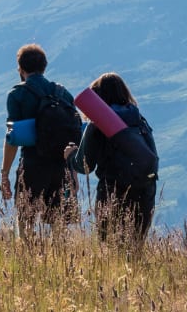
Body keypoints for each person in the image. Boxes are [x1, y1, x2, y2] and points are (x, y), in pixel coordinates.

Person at [64, 72, 158, 246]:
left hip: (113, 192)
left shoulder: (99, 124)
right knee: (134, 250)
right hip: (145, 191)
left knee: (109, 251)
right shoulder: (139, 120)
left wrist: (70, 156)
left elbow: (84, 166)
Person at [0, 44, 80, 240]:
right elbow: (72, 132)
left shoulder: (17, 94)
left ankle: (29, 261)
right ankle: (61, 264)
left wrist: (5, 173)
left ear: (20, 68)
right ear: (44, 67)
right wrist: (74, 171)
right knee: (59, 225)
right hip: (62, 166)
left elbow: (12, 138)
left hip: (32, 164)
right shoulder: (62, 93)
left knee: (26, 221)